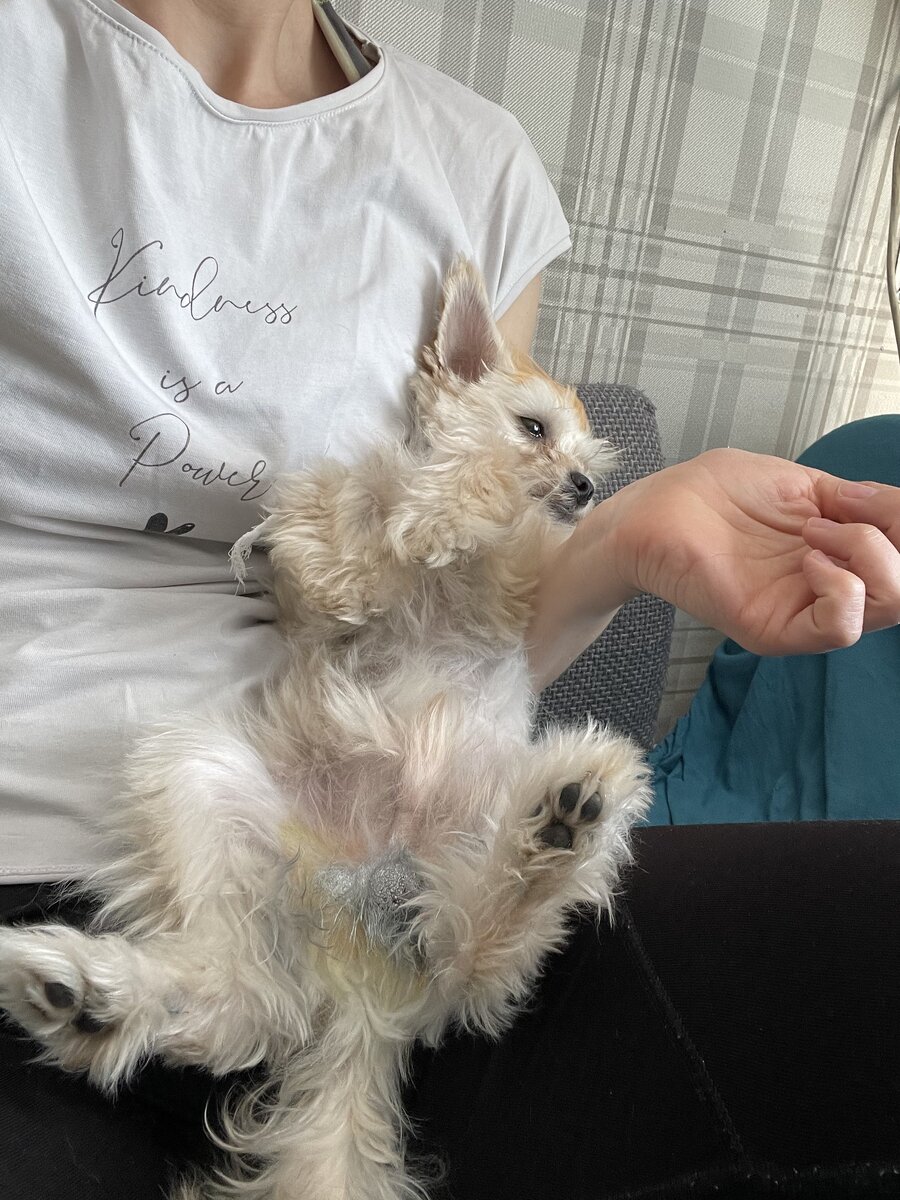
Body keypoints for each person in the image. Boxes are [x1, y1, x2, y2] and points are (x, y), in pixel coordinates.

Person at [1, 2, 898, 1197]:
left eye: (573, 461)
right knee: (200, 774)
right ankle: (219, 992)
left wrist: (623, 535)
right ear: (450, 375)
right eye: (535, 434)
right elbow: (335, 568)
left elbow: (479, 651)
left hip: (391, 855)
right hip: (70, 830)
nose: (563, 469)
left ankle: (496, 903)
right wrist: (428, 511)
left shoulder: (477, 161)